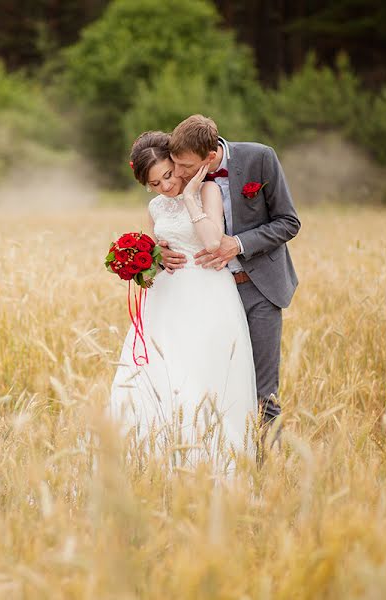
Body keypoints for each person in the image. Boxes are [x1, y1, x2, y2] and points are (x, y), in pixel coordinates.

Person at [108, 131, 258, 476]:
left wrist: (190, 196)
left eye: (168, 175)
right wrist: (151, 261)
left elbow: (212, 241)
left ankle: (208, 463)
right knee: (159, 375)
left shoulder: (206, 191)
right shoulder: (155, 206)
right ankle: (154, 462)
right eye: (154, 182)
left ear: (178, 164)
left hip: (206, 295)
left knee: (201, 375)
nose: (165, 187)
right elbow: (156, 252)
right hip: (164, 300)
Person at [165, 115, 301, 462]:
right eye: (176, 164)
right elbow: (166, 222)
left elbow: (289, 222)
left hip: (259, 290)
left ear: (210, 157)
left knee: (263, 389)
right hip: (208, 295)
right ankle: (220, 461)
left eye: (185, 166)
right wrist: (158, 251)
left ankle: (268, 469)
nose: (178, 173)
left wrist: (237, 244)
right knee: (212, 382)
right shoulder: (181, 180)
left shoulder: (260, 158)